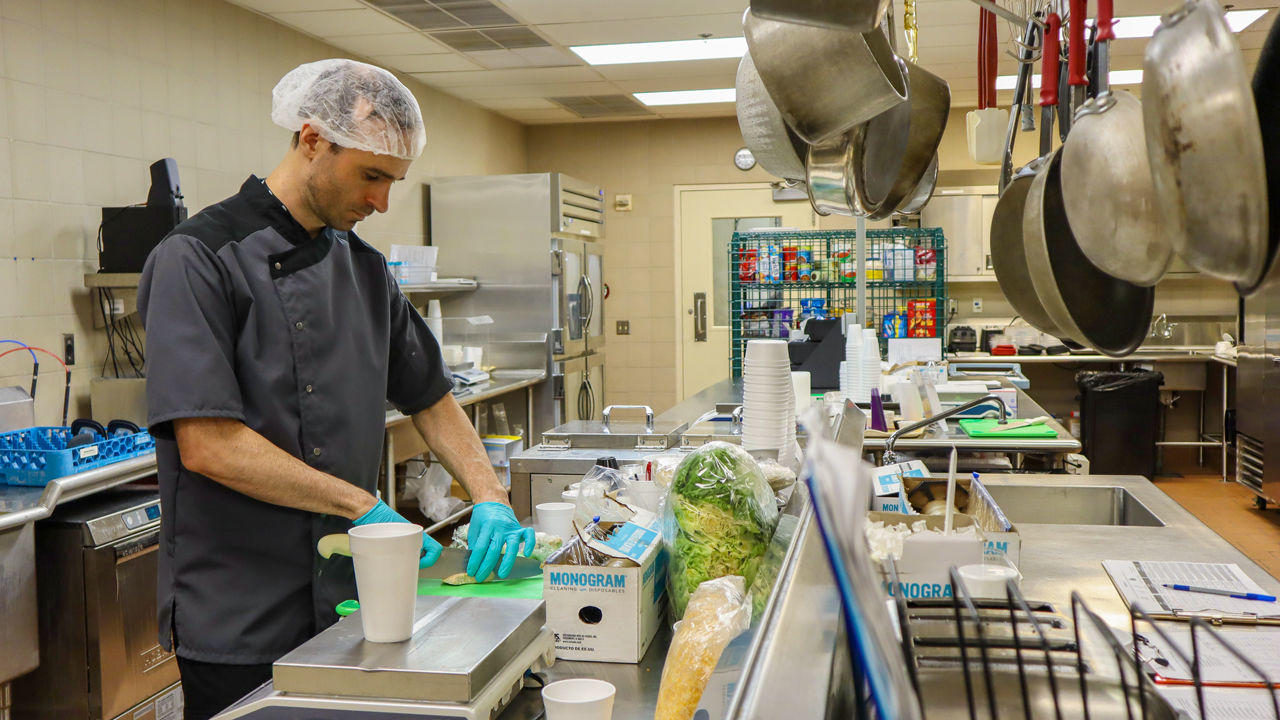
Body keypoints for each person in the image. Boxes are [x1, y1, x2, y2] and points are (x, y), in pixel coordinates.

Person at [137, 59, 534, 720]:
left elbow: (430, 397)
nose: (382, 202)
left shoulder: (366, 271)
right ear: (311, 139)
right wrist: (362, 506)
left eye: (392, 181)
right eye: (371, 175)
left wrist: (491, 495)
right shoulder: (198, 258)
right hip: (240, 610)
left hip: (352, 600)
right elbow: (208, 443)